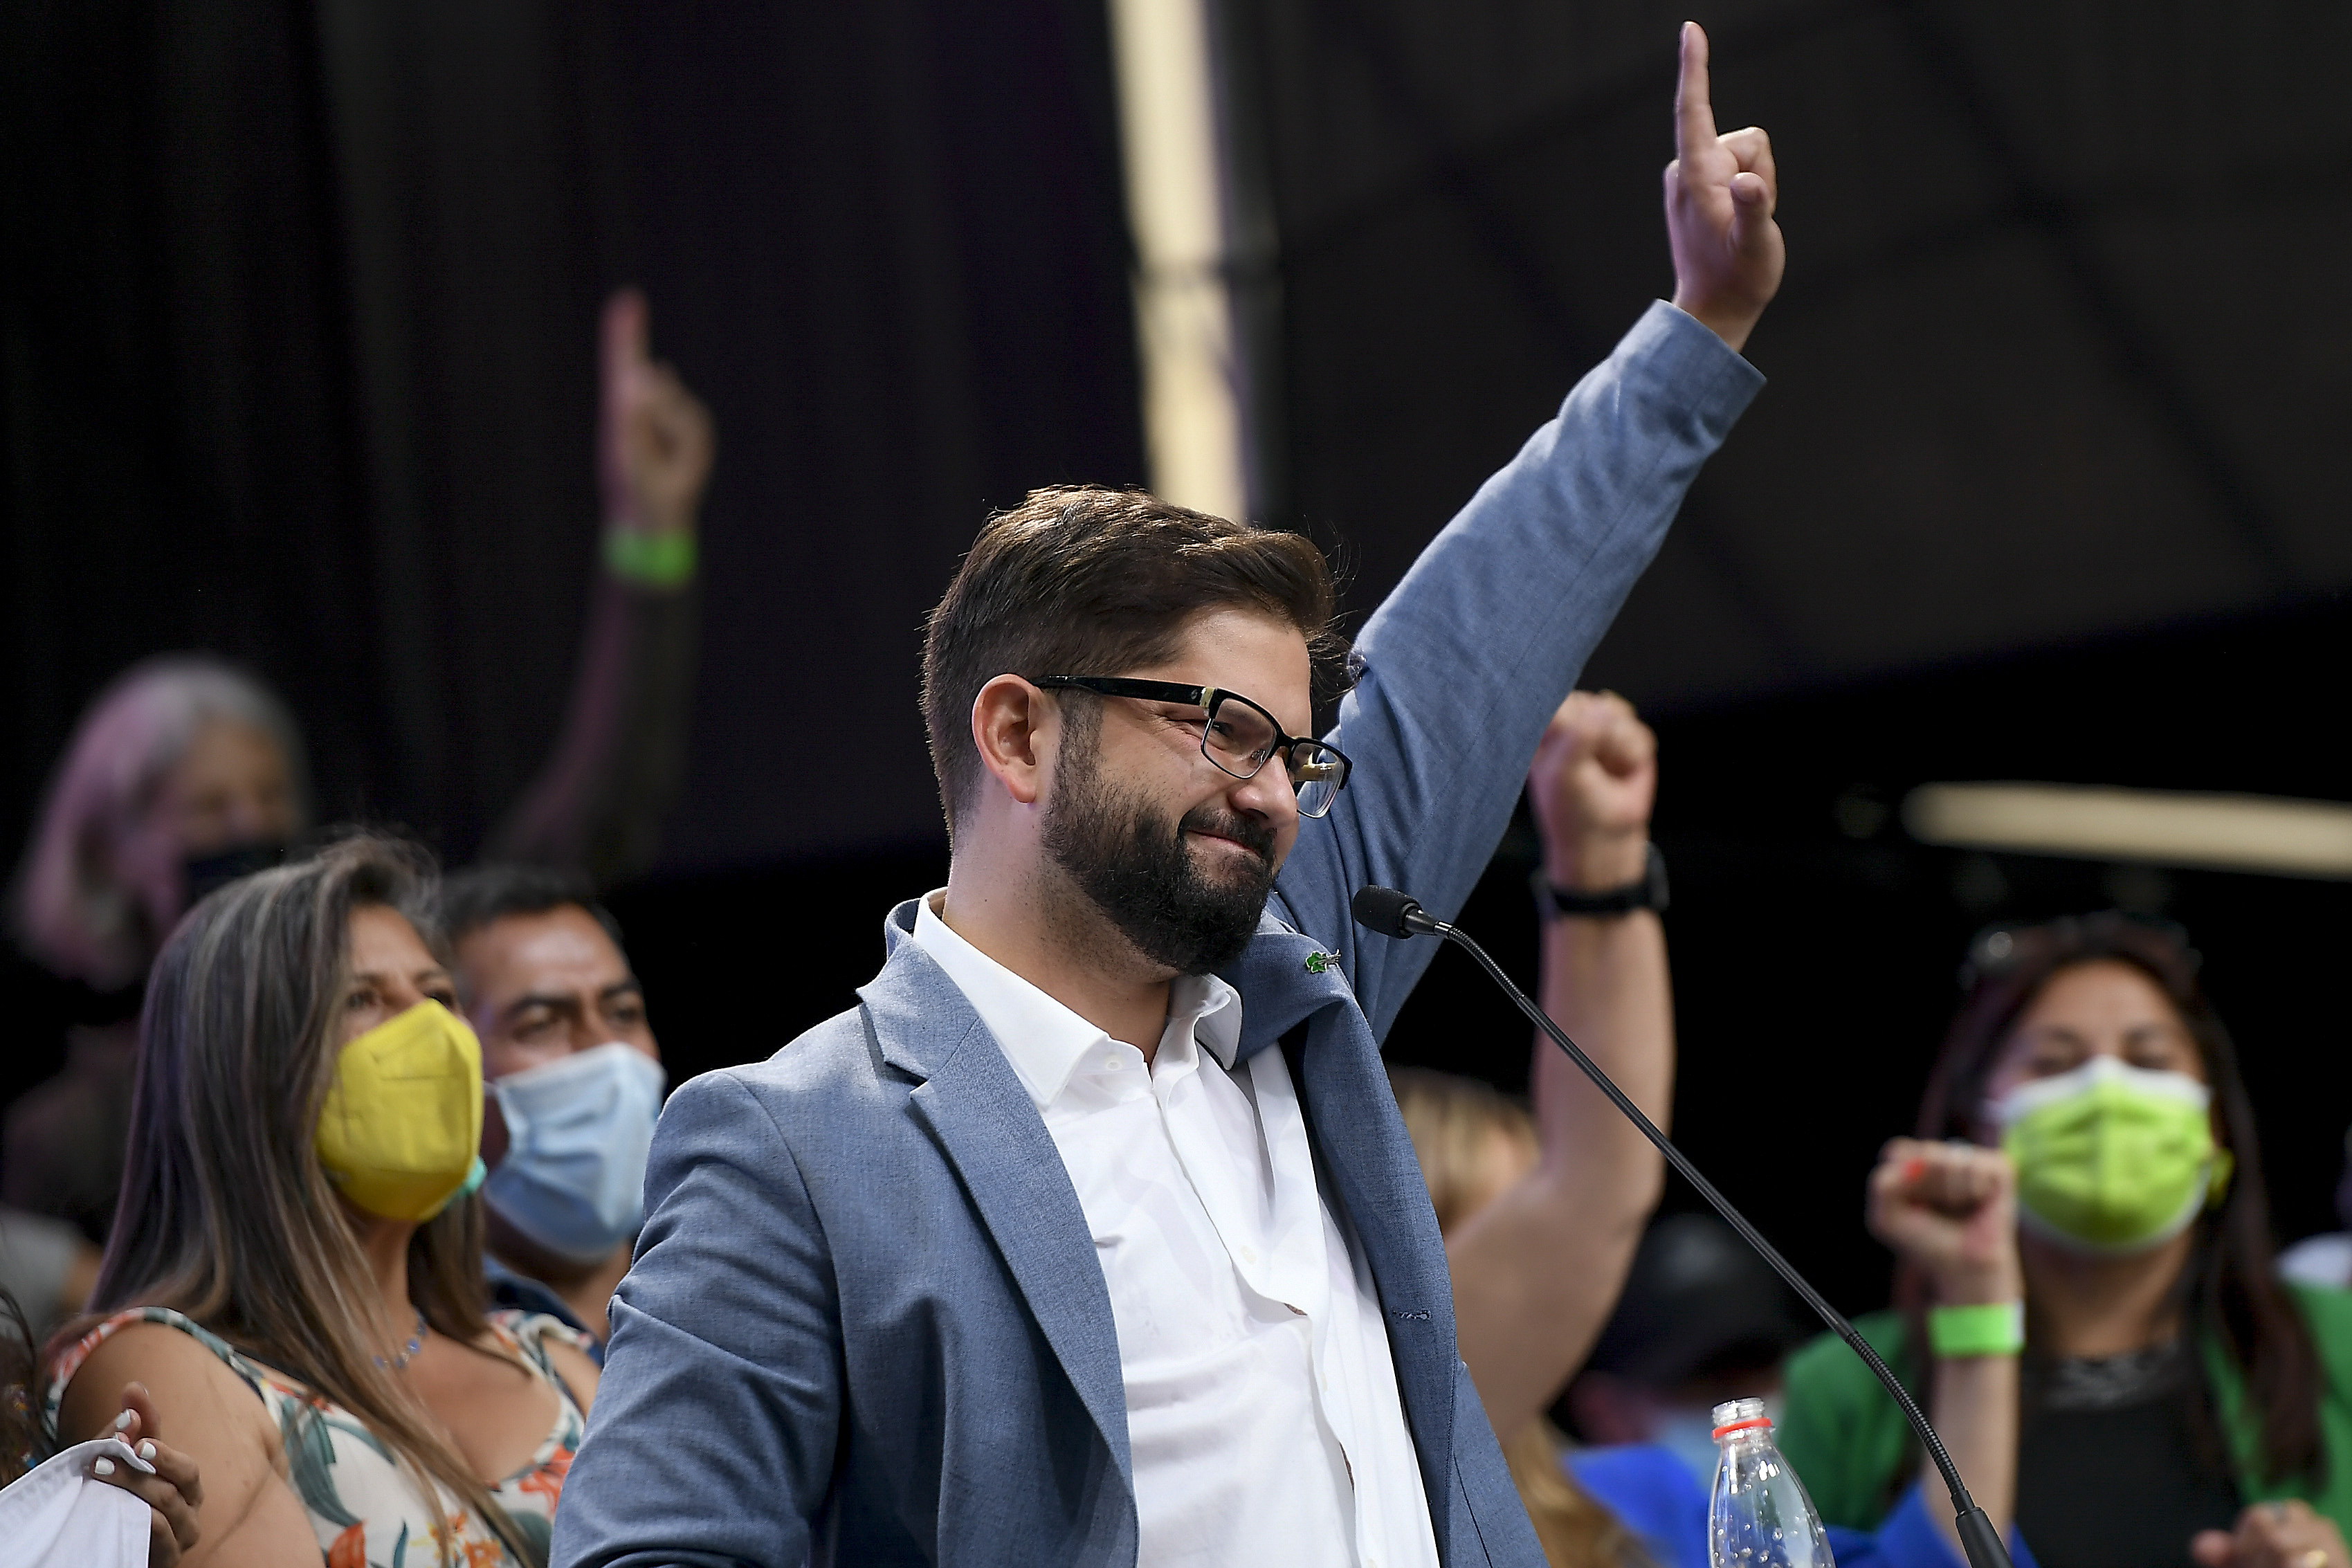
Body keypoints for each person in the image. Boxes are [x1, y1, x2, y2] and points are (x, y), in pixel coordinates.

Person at [553, 23, 1780, 1567]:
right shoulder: (795, 1145)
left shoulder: (1292, 985)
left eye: (1288, 747)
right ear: (1014, 734)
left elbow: (1470, 649)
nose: (1270, 790)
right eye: (1215, 724)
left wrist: (1696, 327)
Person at [2, 288, 713, 1246]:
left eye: (267, 796)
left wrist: (647, 539)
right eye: (208, 808)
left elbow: (585, 820)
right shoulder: (77, 1133)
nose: (248, 830)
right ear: (108, 846)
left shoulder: (394, 1007)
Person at [46, 835, 600, 1567]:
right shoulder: (168, 1368)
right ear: (247, 1073)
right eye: (362, 999)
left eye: (438, 996)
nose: (431, 1031)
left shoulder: (558, 1361)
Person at [1778, 914, 2352, 1568]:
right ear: (1978, 1125)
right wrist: (1976, 1304)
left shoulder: (2338, 1345)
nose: (2105, 1093)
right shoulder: (1846, 1390)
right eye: (2053, 1063)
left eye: (2148, 1060)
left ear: (2213, 1126)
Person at [1391, 689, 1681, 1568]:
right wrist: (1599, 868)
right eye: (1510, 1229)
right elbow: (1598, 1179)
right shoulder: (1367, 1436)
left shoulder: (1632, 1498)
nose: (1568, 1267)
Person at [443, 864, 667, 1354]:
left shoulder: (733, 1282)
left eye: (623, 1013)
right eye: (542, 1024)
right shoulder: (421, 1342)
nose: (607, 1052)